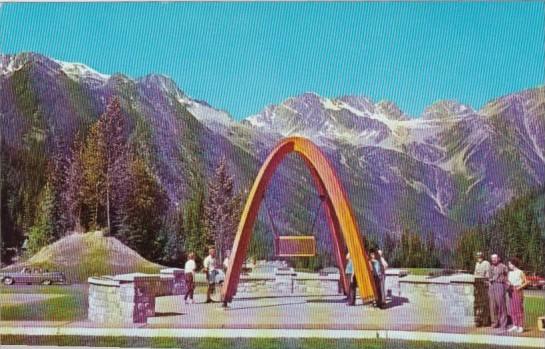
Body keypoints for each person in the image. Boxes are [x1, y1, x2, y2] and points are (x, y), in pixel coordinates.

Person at [507, 257, 529, 333]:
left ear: (514, 264)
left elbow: (526, 282)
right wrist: (508, 284)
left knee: (519, 308)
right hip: (511, 290)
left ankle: (521, 326)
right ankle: (515, 325)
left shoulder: (520, 272)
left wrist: (519, 287)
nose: (509, 265)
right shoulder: (510, 273)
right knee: (512, 309)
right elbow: (509, 281)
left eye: (510, 264)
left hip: (518, 291)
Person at [488, 253, 509, 329]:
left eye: (495, 258)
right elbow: (489, 277)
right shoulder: (490, 267)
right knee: (492, 305)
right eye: (492, 258)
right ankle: (494, 323)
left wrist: (506, 285)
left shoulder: (503, 266)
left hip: (500, 285)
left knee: (501, 305)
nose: (493, 260)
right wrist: (490, 281)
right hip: (492, 286)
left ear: (498, 258)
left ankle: (503, 324)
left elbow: (507, 276)